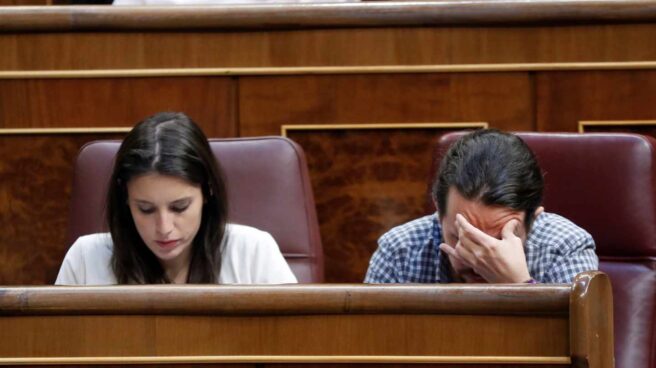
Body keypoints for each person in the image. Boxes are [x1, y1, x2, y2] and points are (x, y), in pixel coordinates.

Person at [56, 112, 297, 285]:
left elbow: (294, 349)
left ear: (207, 191)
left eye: (180, 207)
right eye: (146, 209)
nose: (164, 228)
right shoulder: (85, 260)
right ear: (125, 199)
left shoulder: (254, 253)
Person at [365, 129, 598, 284]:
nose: (479, 257)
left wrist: (518, 288)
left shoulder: (565, 248)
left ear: (533, 219)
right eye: (463, 237)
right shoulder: (399, 252)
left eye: (497, 241)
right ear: (438, 211)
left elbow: (585, 353)